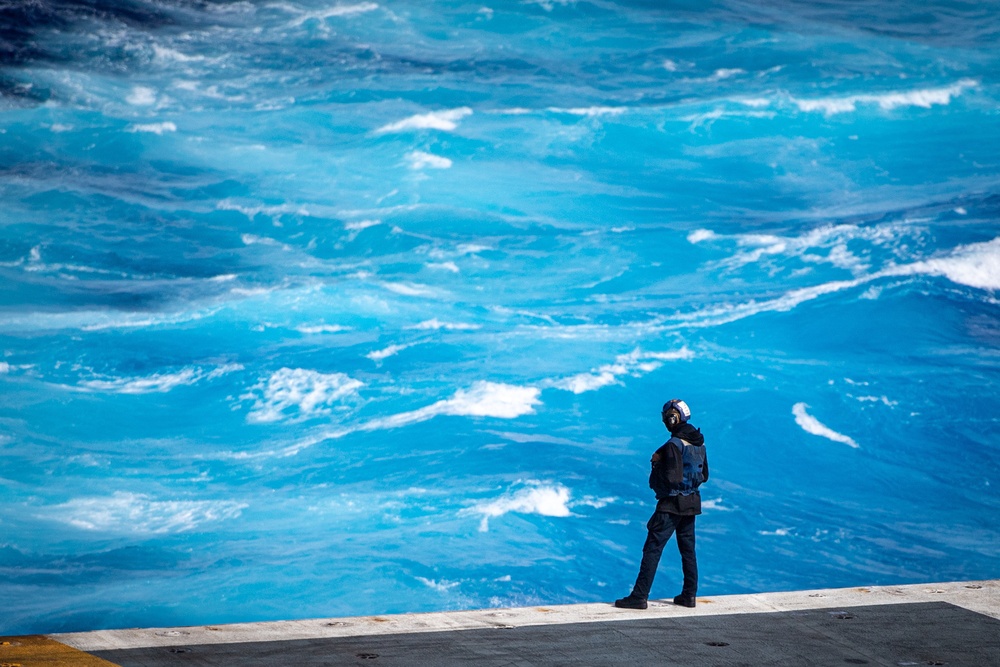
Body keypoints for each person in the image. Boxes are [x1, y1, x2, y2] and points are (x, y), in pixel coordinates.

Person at [615, 398, 708, 610]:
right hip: (691, 503)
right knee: (688, 551)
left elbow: (673, 478)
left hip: (671, 505)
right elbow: (705, 475)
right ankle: (689, 595)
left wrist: (658, 463)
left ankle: (639, 597)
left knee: (652, 548)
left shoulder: (674, 445)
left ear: (672, 419)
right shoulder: (699, 443)